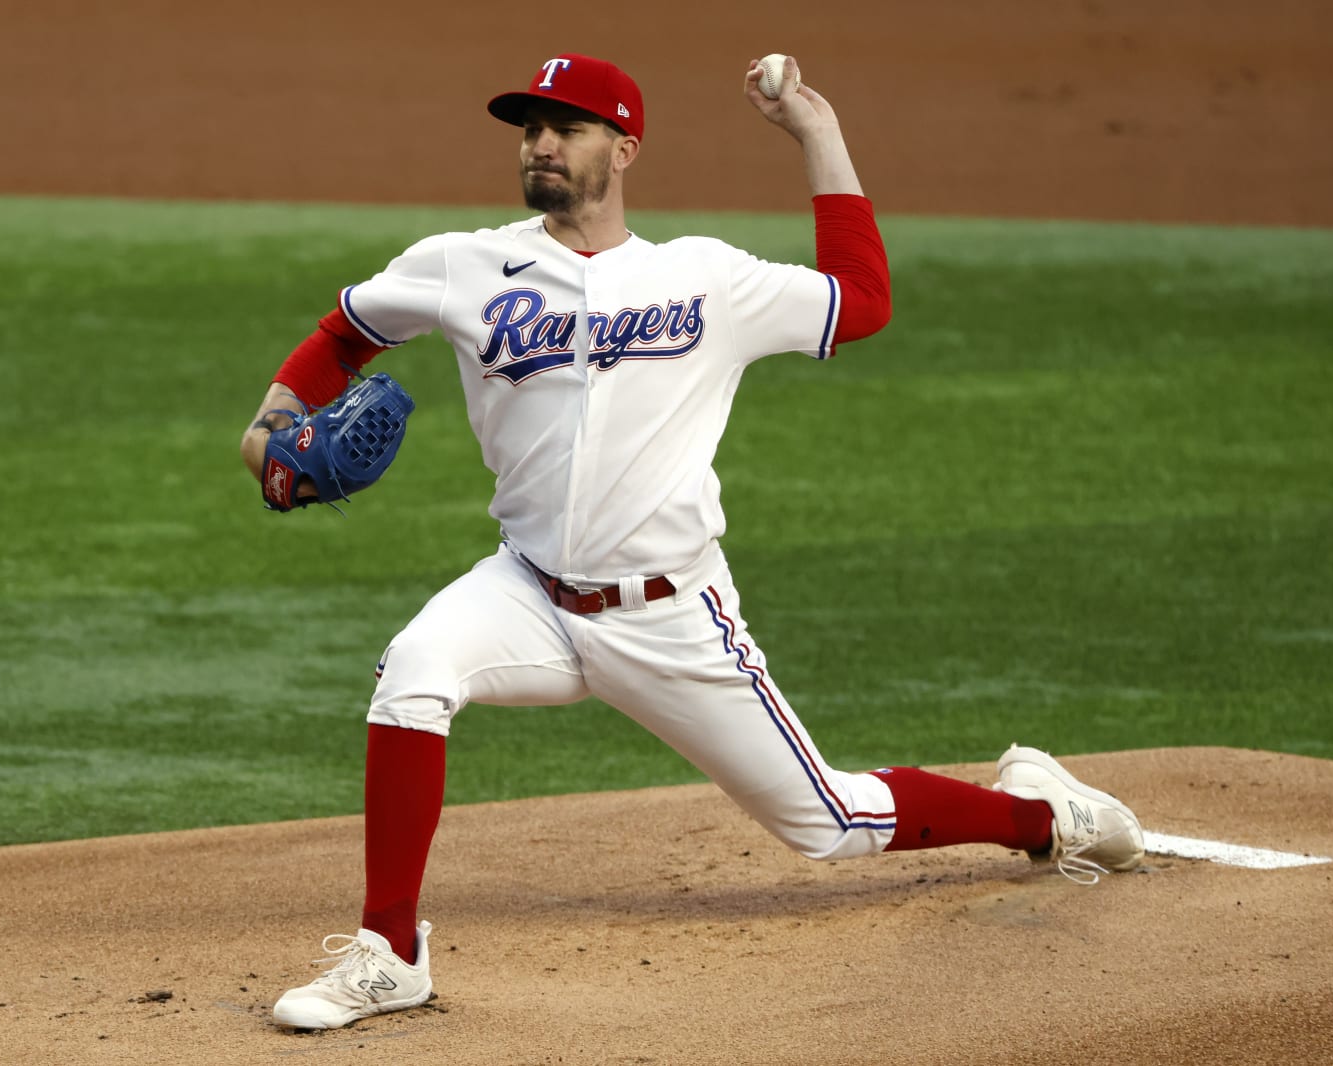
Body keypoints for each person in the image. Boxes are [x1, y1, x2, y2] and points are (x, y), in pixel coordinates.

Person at [239, 53, 1145, 1031]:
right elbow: (343, 335)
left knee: (829, 824)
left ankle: (1049, 816)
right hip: (530, 592)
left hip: (673, 617)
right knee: (414, 667)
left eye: (568, 126)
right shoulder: (463, 263)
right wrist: (268, 430)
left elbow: (863, 299)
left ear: (623, 148)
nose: (541, 143)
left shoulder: (707, 279)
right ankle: (392, 952)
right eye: (530, 127)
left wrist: (815, 132)